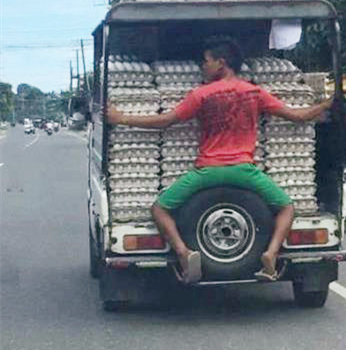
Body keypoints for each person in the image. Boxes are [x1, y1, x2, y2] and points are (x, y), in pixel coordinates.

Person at [107, 37, 332, 283]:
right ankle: (270, 254)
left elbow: (166, 121)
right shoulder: (254, 92)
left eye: (206, 61)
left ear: (221, 63)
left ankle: (184, 253)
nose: (202, 67)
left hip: (208, 170)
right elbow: (298, 116)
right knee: (287, 207)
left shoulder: (201, 94)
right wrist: (329, 103)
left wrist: (121, 118)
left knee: (160, 208)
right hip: (244, 171)